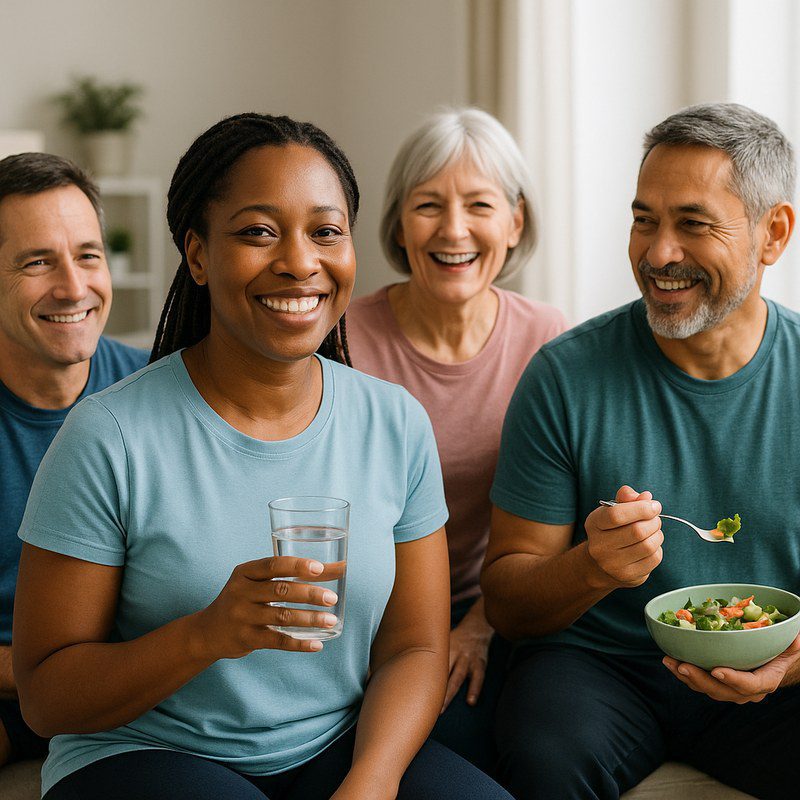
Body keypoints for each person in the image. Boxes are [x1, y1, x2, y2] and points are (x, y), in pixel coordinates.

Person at [12, 113, 514, 800]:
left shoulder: (393, 420)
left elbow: (415, 647)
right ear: (197, 254)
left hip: (336, 747)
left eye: (325, 232)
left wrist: (370, 781)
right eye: (257, 232)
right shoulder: (108, 436)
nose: (300, 262)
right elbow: (46, 698)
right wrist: (206, 635)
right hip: (146, 751)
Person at [482, 102, 800, 800]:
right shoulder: (564, 376)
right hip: (603, 668)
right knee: (543, 754)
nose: (658, 253)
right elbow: (507, 600)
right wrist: (589, 568)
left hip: (778, 670)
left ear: (772, 234)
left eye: (692, 223)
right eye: (644, 220)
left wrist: (796, 661)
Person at [345, 107, 566, 771]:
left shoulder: (547, 338)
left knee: (493, 742)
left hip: (489, 605)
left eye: (479, 204)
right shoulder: (342, 338)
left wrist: (480, 626)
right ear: (398, 223)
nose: (454, 230)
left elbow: (559, 520)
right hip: (368, 606)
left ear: (515, 221)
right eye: (428, 205)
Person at [0, 152, 147, 769]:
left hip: (150, 687)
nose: (73, 286)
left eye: (88, 255)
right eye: (37, 262)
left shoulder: (160, 391)